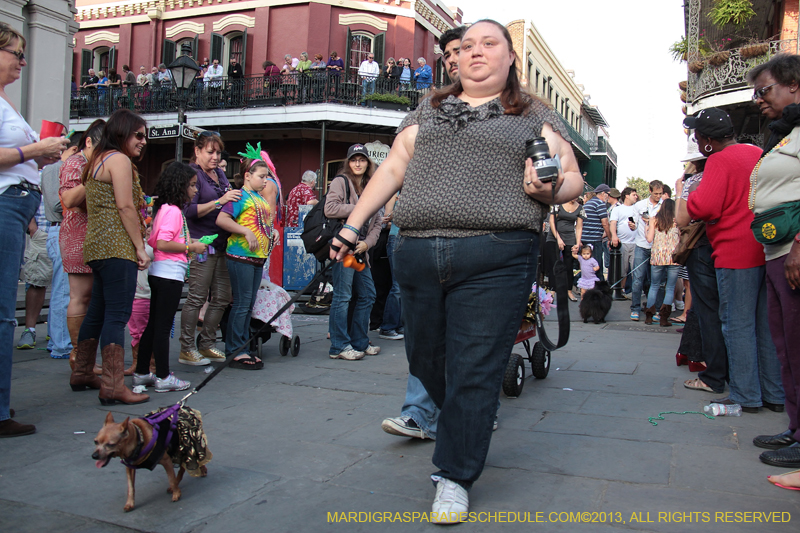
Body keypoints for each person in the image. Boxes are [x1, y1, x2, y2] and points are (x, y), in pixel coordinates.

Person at [329, 20, 582, 521]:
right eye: (467, 46)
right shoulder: (430, 106)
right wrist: (351, 228)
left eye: (490, 44)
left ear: (511, 58)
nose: (476, 52)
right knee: (425, 359)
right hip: (419, 253)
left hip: (498, 254)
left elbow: (571, 177)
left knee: (474, 367)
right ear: (455, 58)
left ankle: (454, 474)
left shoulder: (535, 114)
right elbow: (394, 168)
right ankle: (471, 413)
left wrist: (547, 188)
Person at [380, 25, 466, 443]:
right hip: (419, 236)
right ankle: (418, 412)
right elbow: (398, 165)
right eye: (448, 53)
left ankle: (471, 408)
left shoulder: (507, 109)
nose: (453, 59)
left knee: (464, 334)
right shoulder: (424, 109)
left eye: (461, 50)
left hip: (475, 243)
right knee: (424, 333)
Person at [686, 107, 784, 414]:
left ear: (707, 140)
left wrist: (686, 195)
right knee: (765, 325)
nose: (696, 139)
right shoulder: (757, 152)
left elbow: (703, 207)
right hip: (765, 246)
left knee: (737, 326)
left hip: (734, 251)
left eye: (697, 135)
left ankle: (745, 396)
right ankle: (774, 394)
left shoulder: (718, 159)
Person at [0, 22, 69, 436]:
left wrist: (35, 160)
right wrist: (34, 150)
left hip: (16, 207)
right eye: (15, 52)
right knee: (3, 311)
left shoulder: (7, 103)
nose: (23, 61)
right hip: (6, 203)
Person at [73, 108, 150, 406]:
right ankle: (114, 385)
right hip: (117, 248)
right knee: (117, 315)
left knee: (97, 311)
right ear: (122, 132)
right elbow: (125, 207)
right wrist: (140, 248)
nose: (144, 141)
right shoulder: (118, 160)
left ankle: (82, 372)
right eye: (139, 135)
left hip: (97, 246)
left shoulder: (96, 160)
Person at [747, 54, 800, 467]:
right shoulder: (786, 133)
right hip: (774, 251)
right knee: (785, 346)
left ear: (793, 84)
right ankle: (795, 427)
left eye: (764, 90)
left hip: (793, 251)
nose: (758, 100)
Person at [133, 162, 207, 391]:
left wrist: (189, 243)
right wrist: (191, 247)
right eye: (192, 185)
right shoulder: (173, 211)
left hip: (163, 272)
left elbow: (159, 240)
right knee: (162, 327)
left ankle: (142, 372)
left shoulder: (166, 209)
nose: (195, 190)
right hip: (168, 274)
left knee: (154, 325)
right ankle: (163, 376)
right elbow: (162, 242)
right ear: (180, 186)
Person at [179, 132, 237, 365]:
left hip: (223, 243)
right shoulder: (193, 174)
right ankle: (186, 347)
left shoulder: (220, 174)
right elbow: (188, 210)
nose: (215, 157)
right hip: (201, 245)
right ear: (197, 151)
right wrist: (219, 202)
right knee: (196, 297)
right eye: (210, 152)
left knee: (223, 296)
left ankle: (207, 344)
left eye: (218, 152)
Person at [215, 157, 275, 369]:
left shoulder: (258, 197)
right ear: (247, 176)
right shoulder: (240, 196)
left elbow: (263, 223)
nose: (265, 181)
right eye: (261, 176)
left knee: (248, 305)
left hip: (257, 258)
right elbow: (222, 219)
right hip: (240, 257)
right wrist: (244, 230)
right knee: (241, 304)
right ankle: (235, 349)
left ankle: (242, 346)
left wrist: (272, 232)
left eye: (267, 177)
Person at [325, 144, 382, 360]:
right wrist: (362, 207)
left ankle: (359, 341)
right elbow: (330, 209)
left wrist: (368, 243)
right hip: (343, 248)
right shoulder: (341, 181)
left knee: (367, 295)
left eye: (362, 160)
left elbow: (377, 222)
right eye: (354, 160)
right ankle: (339, 346)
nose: (358, 163)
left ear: (368, 163)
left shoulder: (373, 185)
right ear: (348, 163)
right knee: (343, 296)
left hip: (359, 251)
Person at [59, 119, 105, 372]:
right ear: (88, 142)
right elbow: (68, 198)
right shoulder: (75, 163)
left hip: (96, 233)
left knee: (93, 298)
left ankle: (85, 356)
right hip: (78, 233)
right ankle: (78, 355)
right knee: (81, 296)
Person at [40, 134, 81, 359]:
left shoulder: (59, 168)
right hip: (60, 227)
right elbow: (59, 202)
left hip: (62, 227)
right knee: (63, 290)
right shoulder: (56, 168)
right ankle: (61, 344)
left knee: (64, 289)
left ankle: (58, 340)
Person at [16, 195, 53, 351]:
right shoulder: (38, 175)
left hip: (68, 232)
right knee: (36, 282)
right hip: (42, 232)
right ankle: (29, 330)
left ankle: (54, 330)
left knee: (67, 286)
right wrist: (32, 227)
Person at [630, 180, 663, 321]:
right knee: (638, 279)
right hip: (642, 245)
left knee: (656, 281)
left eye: (660, 194)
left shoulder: (664, 205)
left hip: (657, 247)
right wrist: (632, 225)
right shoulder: (639, 205)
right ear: (650, 191)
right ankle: (635, 308)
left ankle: (655, 309)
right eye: (656, 193)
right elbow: (635, 225)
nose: (658, 196)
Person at [644, 198, 680, 326]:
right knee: (670, 287)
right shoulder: (677, 221)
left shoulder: (654, 219)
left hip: (657, 256)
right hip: (673, 257)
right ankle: (664, 318)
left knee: (654, 285)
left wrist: (646, 229)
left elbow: (649, 239)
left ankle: (649, 315)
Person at [546, 197, 585, 301]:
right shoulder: (558, 204)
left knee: (569, 265)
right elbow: (552, 221)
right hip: (554, 236)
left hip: (569, 237)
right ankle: (552, 289)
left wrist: (577, 243)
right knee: (554, 263)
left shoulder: (580, 208)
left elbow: (579, 227)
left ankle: (569, 290)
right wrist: (558, 238)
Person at [609, 187, 638, 296]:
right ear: (627, 195)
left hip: (636, 243)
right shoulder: (618, 209)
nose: (636, 197)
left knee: (635, 270)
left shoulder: (637, 208)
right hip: (623, 242)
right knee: (622, 270)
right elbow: (613, 223)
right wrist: (614, 236)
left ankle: (634, 291)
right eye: (634, 194)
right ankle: (620, 290)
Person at [581, 183, 611, 280]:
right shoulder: (600, 204)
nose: (608, 197)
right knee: (596, 266)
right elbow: (605, 223)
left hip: (585, 238)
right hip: (594, 239)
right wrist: (610, 238)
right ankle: (600, 289)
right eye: (608, 194)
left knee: (587, 265)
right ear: (603, 193)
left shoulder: (588, 203)